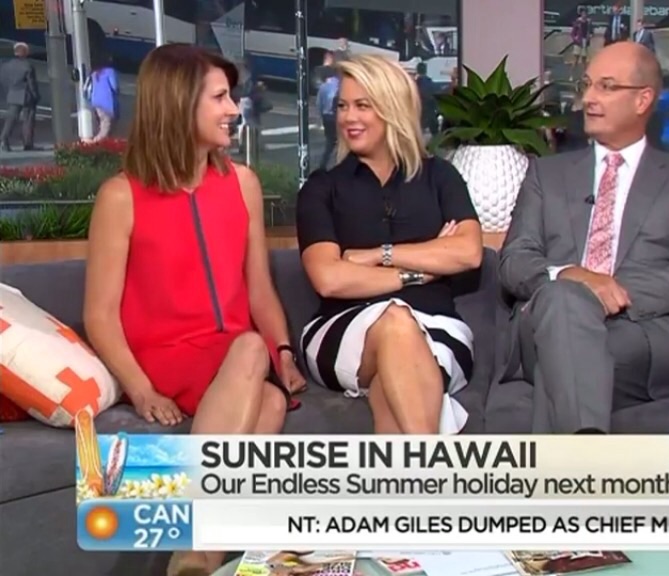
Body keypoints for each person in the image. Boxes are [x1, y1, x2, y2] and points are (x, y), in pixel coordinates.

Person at [82, 44, 305, 576]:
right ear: (180, 104)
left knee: (271, 400)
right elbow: (100, 315)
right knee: (250, 353)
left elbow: (259, 289)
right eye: (220, 98)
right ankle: (198, 543)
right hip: (167, 360)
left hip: (233, 360)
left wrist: (283, 350)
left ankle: (195, 560)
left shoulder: (243, 184)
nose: (233, 109)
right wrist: (141, 389)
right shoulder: (120, 196)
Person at [498, 42, 669, 434]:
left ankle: (573, 460)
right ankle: (587, 452)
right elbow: (514, 260)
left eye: (606, 86)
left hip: (637, 332)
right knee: (563, 305)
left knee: (564, 355)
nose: (588, 98)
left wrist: (611, 291)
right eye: (586, 85)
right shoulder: (546, 175)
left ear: (643, 100)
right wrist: (574, 277)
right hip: (548, 321)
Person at [295, 55, 483, 435]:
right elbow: (329, 279)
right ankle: (431, 458)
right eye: (342, 106)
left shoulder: (440, 176)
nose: (348, 117)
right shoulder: (322, 188)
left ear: (392, 108)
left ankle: (408, 469)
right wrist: (424, 270)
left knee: (391, 383)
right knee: (396, 321)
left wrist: (377, 256)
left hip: (438, 328)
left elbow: (468, 252)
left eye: (362, 105)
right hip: (342, 327)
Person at [0, 42, 38, 152]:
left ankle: (4, 140)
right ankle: (28, 144)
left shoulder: (6, 65)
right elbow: (31, 83)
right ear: (25, 52)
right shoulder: (28, 66)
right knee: (28, 119)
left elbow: (3, 80)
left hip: (13, 94)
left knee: (11, 119)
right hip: (26, 95)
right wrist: (35, 95)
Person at [85, 55, 119, 142]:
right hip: (106, 103)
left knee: (103, 122)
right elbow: (114, 87)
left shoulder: (94, 73)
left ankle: (104, 143)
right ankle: (95, 142)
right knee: (106, 125)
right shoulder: (110, 71)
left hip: (95, 102)